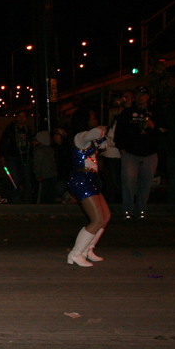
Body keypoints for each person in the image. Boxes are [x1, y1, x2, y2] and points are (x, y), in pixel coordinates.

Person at [66, 107, 110, 267]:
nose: (96, 119)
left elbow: (103, 141)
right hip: (82, 178)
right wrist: (105, 130)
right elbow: (98, 132)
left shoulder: (87, 138)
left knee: (105, 216)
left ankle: (87, 249)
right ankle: (76, 253)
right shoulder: (80, 137)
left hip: (91, 178)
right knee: (97, 219)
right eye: (93, 116)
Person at [114, 85, 166, 220]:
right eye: (137, 94)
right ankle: (127, 210)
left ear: (148, 97)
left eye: (143, 95)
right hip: (130, 153)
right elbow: (119, 133)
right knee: (128, 182)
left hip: (149, 153)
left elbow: (165, 130)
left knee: (146, 183)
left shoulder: (156, 112)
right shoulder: (127, 113)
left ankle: (141, 209)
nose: (140, 97)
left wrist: (153, 126)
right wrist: (122, 149)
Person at [0, 111, 34, 204]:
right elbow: (3, 141)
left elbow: (31, 143)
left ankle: (28, 201)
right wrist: (2, 155)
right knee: (15, 179)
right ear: (16, 118)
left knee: (27, 179)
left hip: (25, 157)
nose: (21, 118)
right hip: (13, 157)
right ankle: (15, 201)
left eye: (23, 116)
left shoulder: (28, 129)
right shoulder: (10, 129)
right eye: (19, 116)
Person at [33, 130, 57, 204]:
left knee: (42, 195)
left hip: (44, 176)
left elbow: (37, 163)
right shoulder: (50, 150)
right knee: (50, 195)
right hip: (52, 175)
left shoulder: (40, 150)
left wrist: (37, 174)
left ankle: (40, 209)